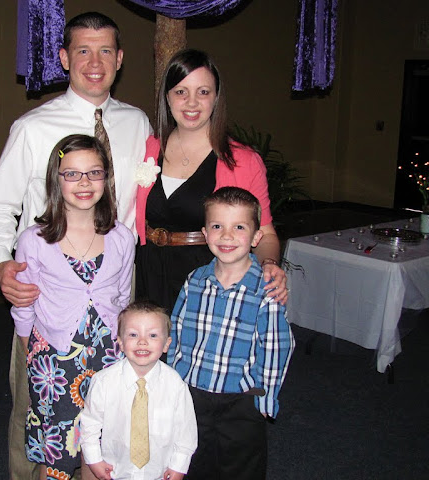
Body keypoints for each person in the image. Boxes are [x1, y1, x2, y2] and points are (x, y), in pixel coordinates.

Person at [0, 12, 150, 480]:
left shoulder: (137, 122)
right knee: (35, 408)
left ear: (120, 59)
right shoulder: (33, 127)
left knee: (111, 408)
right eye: (83, 50)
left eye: (106, 50)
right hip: (49, 293)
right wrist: (2, 264)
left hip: (115, 287)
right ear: (64, 58)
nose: (95, 62)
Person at [11, 134, 135, 480]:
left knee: (102, 448)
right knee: (59, 451)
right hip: (55, 362)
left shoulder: (122, 237)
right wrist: (31, 352)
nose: (84, 182)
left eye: (94, 173)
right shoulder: (34, 240)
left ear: (105, 179)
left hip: (108, 358)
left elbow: (123, 298)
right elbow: (24, 306)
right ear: (57, 180)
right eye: (72, 174)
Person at [135, 48, 287, 313]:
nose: (191, 103)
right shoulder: (148, 147)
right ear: (167, 97)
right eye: (181, 92)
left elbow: (266, 234)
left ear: (216, 97)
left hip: (210, 281)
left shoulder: (243, 161)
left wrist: (270, 264)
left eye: (203, 92)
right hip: (151, 275)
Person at [168, 186, 295, 480]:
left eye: (239, 227)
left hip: (241, 400)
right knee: (192, 461)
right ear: (205, 233)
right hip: (193, 394)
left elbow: (276, 347)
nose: (226, 236)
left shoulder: (266, 289)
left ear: (256, 237)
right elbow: (177, 330)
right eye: (217, 226)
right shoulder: (194, 280)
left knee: (242, 467)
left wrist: (265, 397)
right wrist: (173, 383)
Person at [80, 301, 197, 480]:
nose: (142, 341)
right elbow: (89, 425)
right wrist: (94, 460)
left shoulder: (176, 386)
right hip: (115, 471)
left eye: (153, 335)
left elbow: (186, 432)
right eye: (133, 334)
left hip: (159, 473)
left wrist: (179, 466)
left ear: (167, 344)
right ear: (120, 342)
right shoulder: (104, 382)